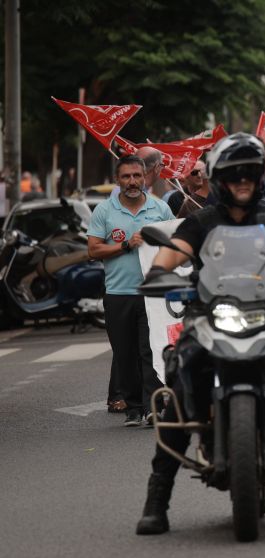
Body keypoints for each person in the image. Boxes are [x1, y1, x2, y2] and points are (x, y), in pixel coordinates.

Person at [135, 133, 265, 535]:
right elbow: (173, 250)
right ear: (220, 180)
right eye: (234, 175)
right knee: (179, 377)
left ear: (257, 178)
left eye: (248, 173)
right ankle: (157, 497)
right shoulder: (201, 221)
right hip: (211, 314)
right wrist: (159, 272)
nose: (242, 181)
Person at [87, 156, 174, 426]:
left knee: (150, 350)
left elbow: (178, 241)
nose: (132, 182)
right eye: (126, 177)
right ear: (118, 180)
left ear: (145, 177)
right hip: (118, 294)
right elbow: (93, 250)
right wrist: (125, 245)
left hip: (152, 294)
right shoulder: (104, 211)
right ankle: (133, 408)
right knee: (124, 354)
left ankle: (152, 407)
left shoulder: (160, 209)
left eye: (137, 176)